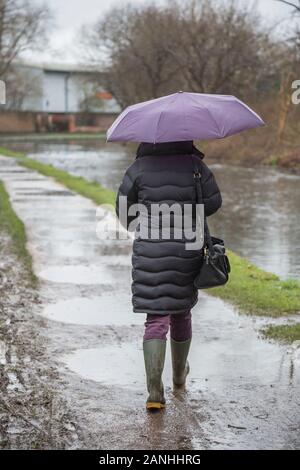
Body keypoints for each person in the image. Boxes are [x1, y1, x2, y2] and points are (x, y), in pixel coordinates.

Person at [116, 140, 222, 411]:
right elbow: (212, 204)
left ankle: (154, 392)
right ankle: (178, 376)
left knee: (156, 317)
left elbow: (123, 213)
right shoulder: (195, 165)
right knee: (181, 309)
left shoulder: (139, 167)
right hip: (187, 246)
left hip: (150, 248)